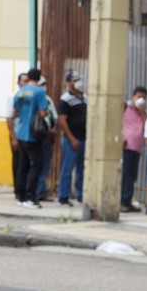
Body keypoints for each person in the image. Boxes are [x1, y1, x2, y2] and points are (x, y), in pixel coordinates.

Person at [13, 68, 50, 208]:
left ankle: (21, 196)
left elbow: (14, 112)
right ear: (39, 78)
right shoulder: (40, 92)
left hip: (21, 132)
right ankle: (31, 197)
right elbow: (44, 113)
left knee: (22, 165)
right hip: (33, 134)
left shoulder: (20, 91)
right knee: (36, 166)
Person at [57, 71, 87, 207]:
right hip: (72, 140)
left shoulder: (85, 97)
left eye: (78, 79)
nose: (78, 82)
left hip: (84, 139)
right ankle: (64, 196)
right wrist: (71, 138)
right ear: (69, 83)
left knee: (82, 169)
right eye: (75, 80)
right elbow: (62, 121)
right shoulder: (65, 99)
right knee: (67, 169)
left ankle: (81, 195)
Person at [120, 86, 147, 212]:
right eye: (139, 97)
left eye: (144, 98)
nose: (141, 100)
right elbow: (116, 121)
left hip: (137, 147)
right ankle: (121, 202)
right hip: (126, 146)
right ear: (133, 96)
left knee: (132, 175)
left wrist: (142, 112)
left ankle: (127, 200)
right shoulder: (124, 107)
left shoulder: (145, 112)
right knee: (124, 174)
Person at [6, 72, 29, 191]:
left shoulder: (30, 96)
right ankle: (18, 189)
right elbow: (9, 118)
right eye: (23, 81)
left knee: (26, 163)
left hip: (27, 135)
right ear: (18, 83)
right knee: (17, 162)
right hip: (16, 133)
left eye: (27, 81)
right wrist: (13, 137)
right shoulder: (13, 96)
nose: (25, 83)